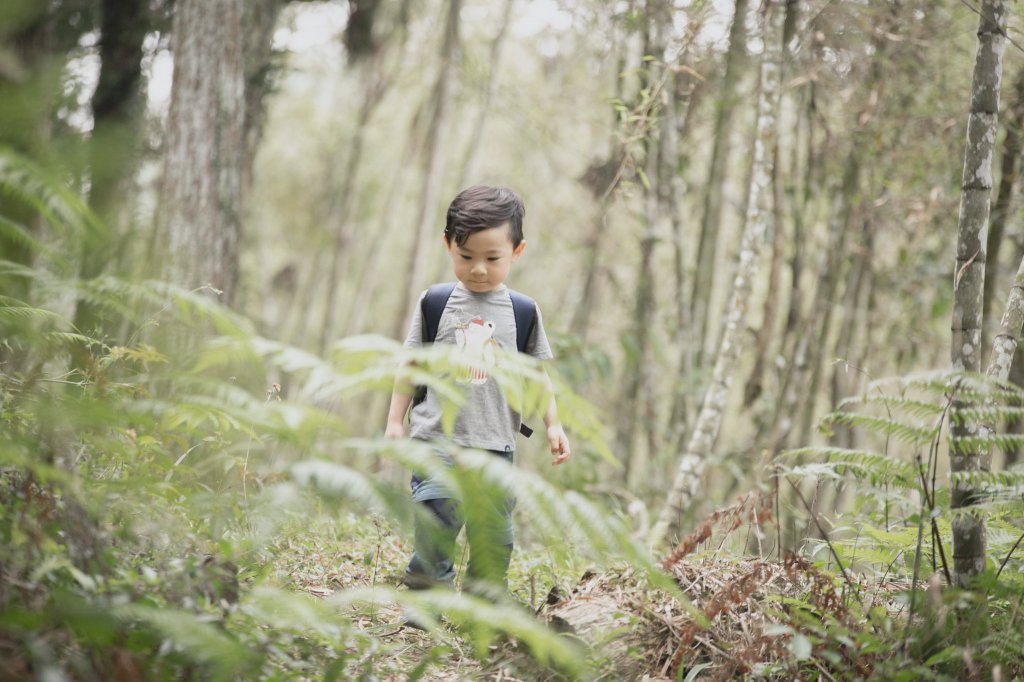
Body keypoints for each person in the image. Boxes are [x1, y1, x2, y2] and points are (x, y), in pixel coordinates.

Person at [384, 185, 571, 594]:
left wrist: (554, 425)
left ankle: (484, 600)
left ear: (517, 252)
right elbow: (411, 363)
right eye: (466, 257)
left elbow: (537, 376)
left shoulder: (522, 312)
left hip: (495, 444)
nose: (479, 269)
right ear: (448, 245)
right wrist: (395, 420)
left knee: (494, 534)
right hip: (437, 439)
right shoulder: (435, 302)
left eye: (492, 258)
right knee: (436, 520)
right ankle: (429, 598)